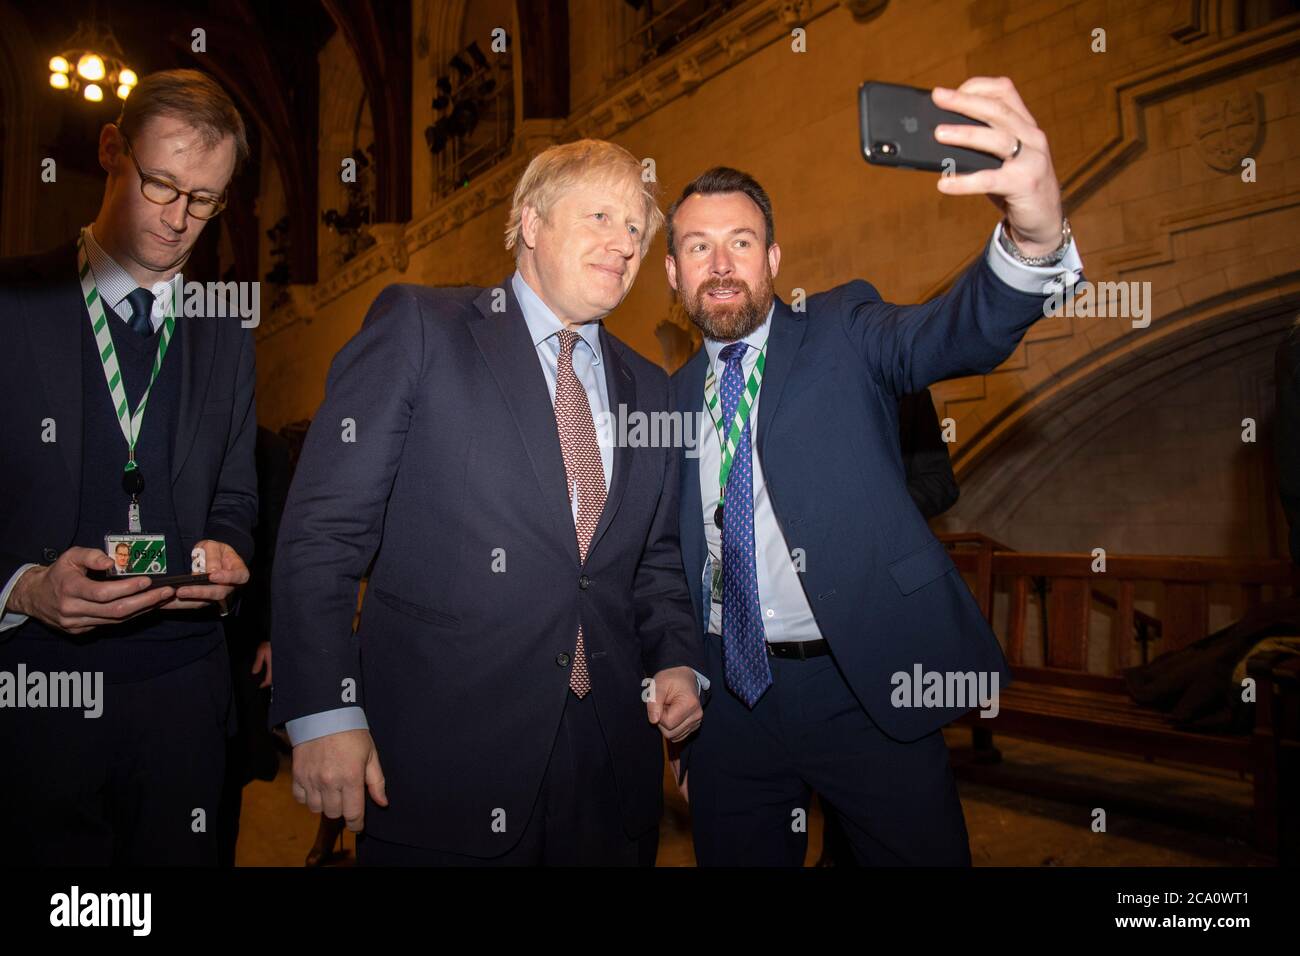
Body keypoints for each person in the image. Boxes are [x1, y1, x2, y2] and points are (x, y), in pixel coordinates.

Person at [666, 77, 1085, 865]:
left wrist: (1033, 239)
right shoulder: (670, 400)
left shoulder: (841, 329)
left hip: (865, 688)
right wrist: (682, 689)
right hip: (730, 710)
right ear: (673, 274)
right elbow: (666, 564)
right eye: (697, 246)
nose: (721, 264)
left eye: (742, 242)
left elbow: (949, 335)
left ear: (774, 258)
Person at [270, 139, 706, 865]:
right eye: (600, 215)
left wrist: (677, 663)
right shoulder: (421, 329)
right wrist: (323, 708)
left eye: (636, 229)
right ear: (531, 222)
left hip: (607, 768)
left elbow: (652, 565)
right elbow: (325, 529)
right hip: (448, 756)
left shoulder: (650, 388)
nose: (623, 244)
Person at [0, 69, 256, 865]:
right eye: (162, 184)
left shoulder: (225, 328)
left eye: (205, 200)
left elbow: (240, 493)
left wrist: (225, 546)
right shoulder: (14, 301)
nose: (180, 220)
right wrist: (22, 587)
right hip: (37, 684)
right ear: (113, 151)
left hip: (184, 689)